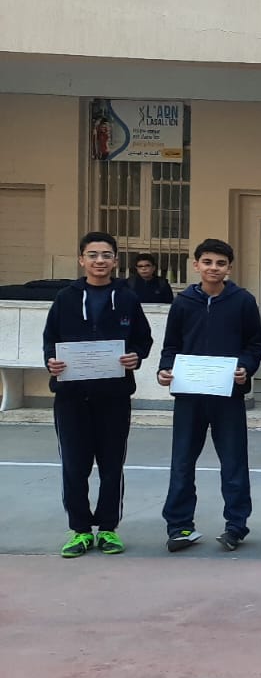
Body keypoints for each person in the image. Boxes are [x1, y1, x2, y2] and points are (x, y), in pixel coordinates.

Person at [43, 232, 153, 558]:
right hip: (71, 397)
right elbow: (50, 340)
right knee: (74, 466)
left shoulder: (127, 298)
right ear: (82, 260)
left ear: (115, 261)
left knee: (111, 465)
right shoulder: (65, 298)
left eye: (106, 255)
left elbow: (143, 339)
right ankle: (79, 530)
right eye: (92, 255)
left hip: (113, 397)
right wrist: (51, 361)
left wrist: (135, 356)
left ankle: (107, 529)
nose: (99, 261)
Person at [157, 238, 261, 551]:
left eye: (220, 263)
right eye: (207, 262)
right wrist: (165, 370)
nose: (213, 268)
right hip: (189, 396)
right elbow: (171, 346)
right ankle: (179, 526)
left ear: (229, 268)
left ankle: (235, 526)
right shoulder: (183, 302)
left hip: (227, 396)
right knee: (182, 462)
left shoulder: (243, 301)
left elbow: (255, 344)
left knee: (233, 462)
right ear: (196, 265)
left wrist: (245, 367)